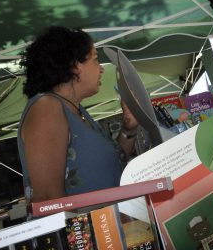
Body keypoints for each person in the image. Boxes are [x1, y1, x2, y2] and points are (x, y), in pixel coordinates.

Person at [17, 26, 139, 202]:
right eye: (95, 60)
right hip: (86, 228)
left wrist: (129, 128)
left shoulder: (78, 111)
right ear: (75, 66)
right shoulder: (47, 107)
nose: (101, 69)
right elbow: (48, 199)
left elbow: (112, 166)